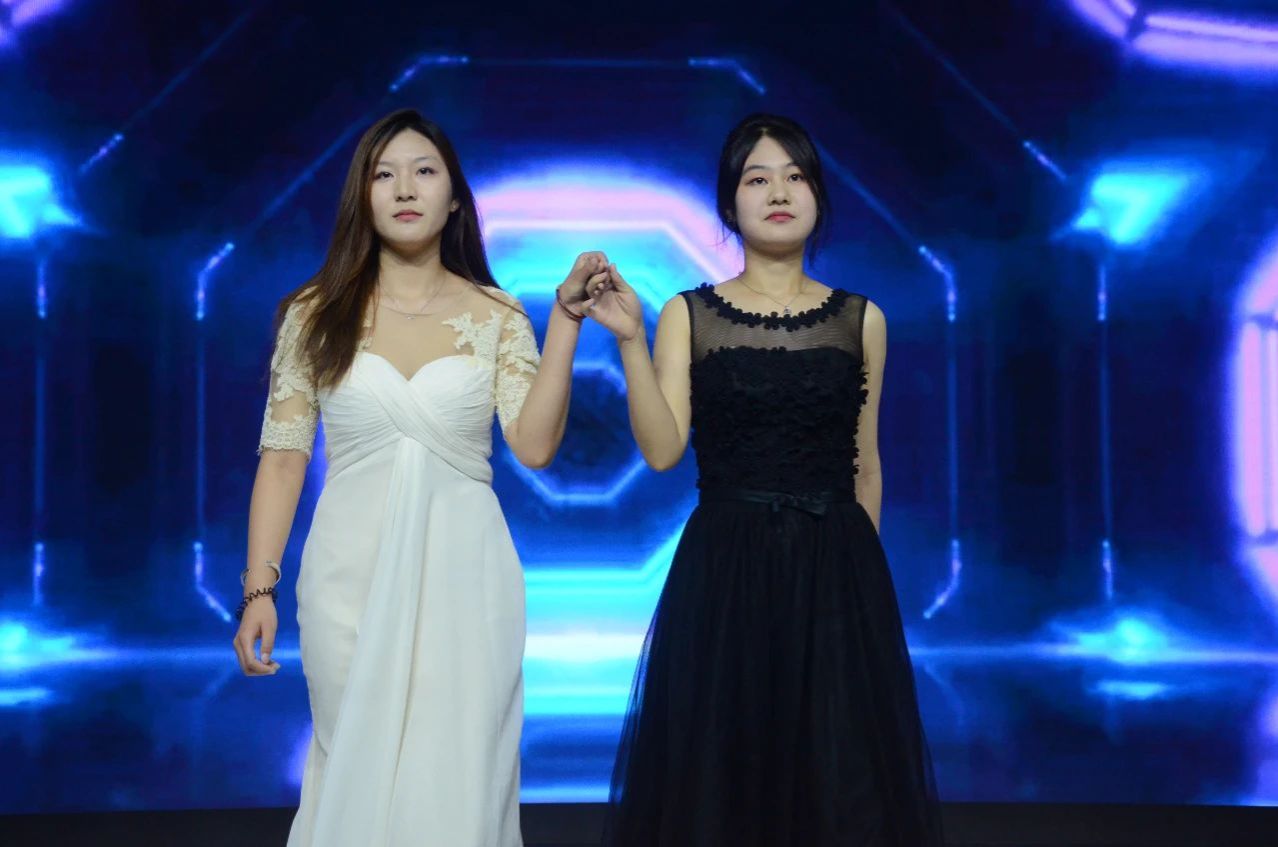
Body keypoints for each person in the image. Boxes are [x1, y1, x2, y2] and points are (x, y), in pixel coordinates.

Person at [230, 108, 606, 847]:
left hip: (468, 578)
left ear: (455, 197)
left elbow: (533, 446)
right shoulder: (313, 314)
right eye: (385, 173)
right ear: (362, 196)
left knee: (457, 780)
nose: (405, 188)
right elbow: (283, 456)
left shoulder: (497, 315)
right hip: (346, 578)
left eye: (424, 171)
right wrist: (258, 590)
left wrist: (565, 321)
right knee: (355, 770)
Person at [588, 113, 944, 846]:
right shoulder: (688, 313)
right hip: (726, 570)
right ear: (730, 203)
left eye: (795, 176)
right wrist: (629, 342)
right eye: (757, 179)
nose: (778, 192)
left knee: (839, 781)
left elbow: (866, 463)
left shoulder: (862, 319)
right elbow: (662, 450)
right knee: (724, 773)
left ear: (817, 196)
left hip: (834, 570)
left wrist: (861, 596)